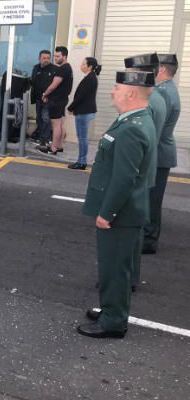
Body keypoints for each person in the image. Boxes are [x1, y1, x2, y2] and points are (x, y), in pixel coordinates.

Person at [79, 71, 155, 339]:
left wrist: (106, 213)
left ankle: (114, 322)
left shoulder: (133, 127)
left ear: (132, 93)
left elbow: (124, 179)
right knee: (115, 266)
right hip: (126, 211)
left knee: (114, 268)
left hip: (120, 213)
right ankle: (111, 309)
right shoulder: (134, 120)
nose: (112, 91)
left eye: (117, 87)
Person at [123, 53, 166, 288]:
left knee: (130, 230)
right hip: (145, 171)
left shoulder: (148, 103)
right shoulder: (157, 98)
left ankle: (127, 276)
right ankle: (129, 274)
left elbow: (138, 141)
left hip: (138, 173)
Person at [143, 54, 181, 254]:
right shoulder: (167, 89)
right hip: (161, 151)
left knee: (152, 198)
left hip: (159, 152)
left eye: (156, 68)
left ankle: (148, 240)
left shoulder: (163, 93)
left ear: (163, 70)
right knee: (152, 197)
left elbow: (154, 127)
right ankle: (148, 236)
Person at [66, 57, 101, 170]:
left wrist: (71, 107)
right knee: (82, 137)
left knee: (82, 138)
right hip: (84, 111)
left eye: (83, 64)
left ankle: (81, 162)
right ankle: (81, 160)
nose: (81, 65)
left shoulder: (90, 79)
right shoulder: (90, 77)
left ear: (89, 67)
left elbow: (81, 96)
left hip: (84, 112)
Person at [39, 46, 73, 155]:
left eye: (58, 56)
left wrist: (45, 94)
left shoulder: (62, 69)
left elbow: (53, 85)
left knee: (56, 125)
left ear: (64, 56)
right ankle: (59, 145)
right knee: (61, 123)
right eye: (55, 56)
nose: (55, 58)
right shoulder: (68, 68)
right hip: (62, 99)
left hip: (56, 100)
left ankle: (53, 148)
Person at [30, 50, 55, 144]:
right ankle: (41, 136)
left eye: (48, 58)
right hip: (37, 98)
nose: (46, 60)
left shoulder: (54, 69)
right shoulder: (36, 68)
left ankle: (46, 138)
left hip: (48, 99)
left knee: (46, 118)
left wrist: (47, 95)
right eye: (44, 58)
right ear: (39, 58)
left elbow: (54, 85)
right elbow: (33, 81)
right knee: (39, 118)